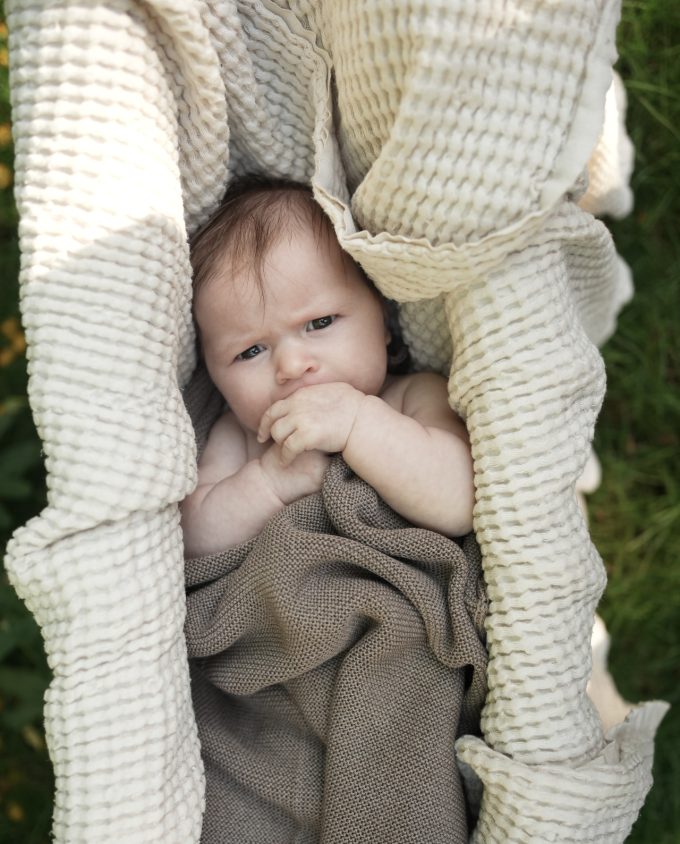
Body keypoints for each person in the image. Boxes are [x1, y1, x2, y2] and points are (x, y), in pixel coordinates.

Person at [181, 177, 475, 557]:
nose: (291, 365)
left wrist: (357, 423)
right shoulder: (241, 438)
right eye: (251, 351)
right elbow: (190, 541)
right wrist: (269, 482)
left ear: (383, 320)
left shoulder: (414, 396)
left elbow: (460, 503)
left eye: (320, 323)